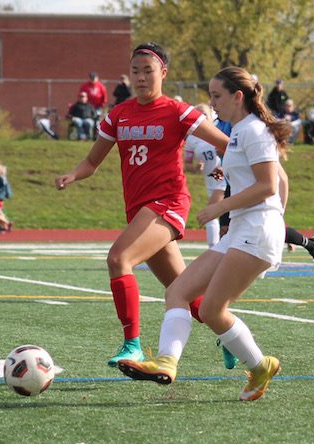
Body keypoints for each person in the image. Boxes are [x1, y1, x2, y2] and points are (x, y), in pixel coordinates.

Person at [117, 66, 293, 402]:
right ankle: (167, 363)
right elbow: (281, 182)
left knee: (213, 310)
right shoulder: (240, 131)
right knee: (179, 291)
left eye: (216, 96)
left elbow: (269, 185)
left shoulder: (254, 131)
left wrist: (225, 210)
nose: (212, 104)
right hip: (243, 227)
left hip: (255, 230)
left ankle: (259, 365)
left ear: (237, 96)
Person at [55, 42, 230, 368]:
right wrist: (72, 175)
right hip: (140, 210)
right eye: (135, 71)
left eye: (147, 70)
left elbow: (226, 143)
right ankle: (230, 336)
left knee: (118, 258)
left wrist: (233, 165)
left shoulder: (178, 111)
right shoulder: (119, 115)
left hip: (169, 203)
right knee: (187, 293)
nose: (140, 77)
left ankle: (132, 345)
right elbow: (92, 162)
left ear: (163, 72)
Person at [183, 104, 227, 248]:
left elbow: (233, 152)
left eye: (205, 114)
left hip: (224, 178)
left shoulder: (220, 129)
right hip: (211, 182)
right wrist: (195, 167)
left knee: (210, 214)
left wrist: (220, 170)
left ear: (211, 115)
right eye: (198, 115)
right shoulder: (192, 139)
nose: (202, 118)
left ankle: (213, 250)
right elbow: (186, 164)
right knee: (226, 219)